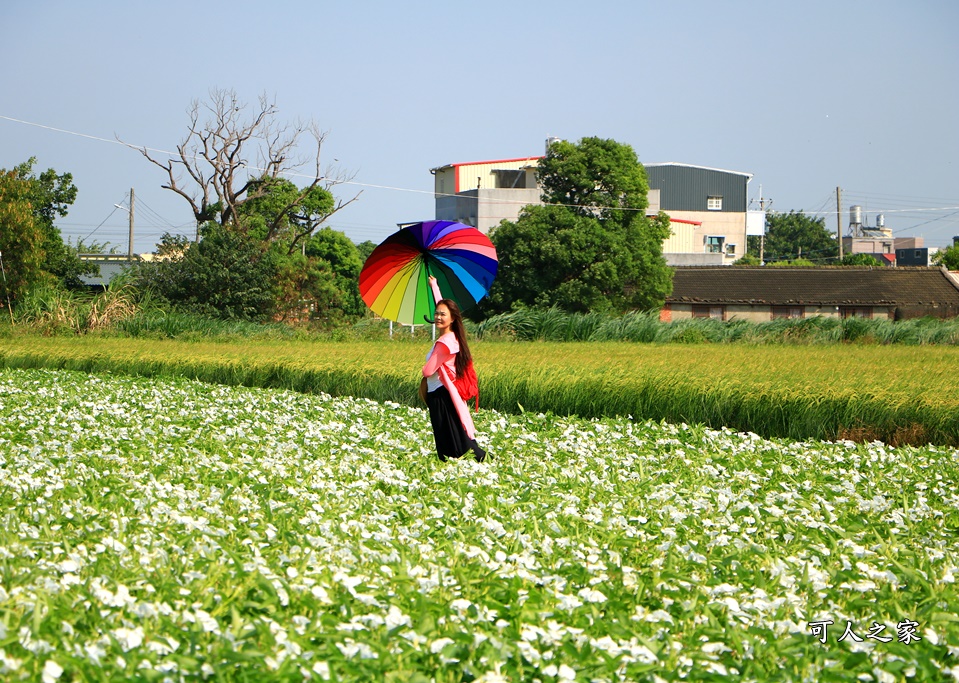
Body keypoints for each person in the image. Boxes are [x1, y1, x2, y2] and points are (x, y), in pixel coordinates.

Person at [422, 275, 486, 463]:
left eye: (442, 315)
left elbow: (428, 371)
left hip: (442, 394)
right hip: (443, 393)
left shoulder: (445, 342)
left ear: (452, 318)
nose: (438, 317)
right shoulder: (453, 336)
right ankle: (471, 460)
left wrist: (424, 368)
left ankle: (475, 460)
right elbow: (442, 305)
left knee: (451, 438)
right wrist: (434, 285)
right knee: (455, 433)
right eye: (436, 313)